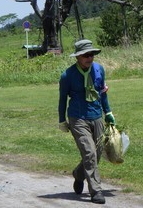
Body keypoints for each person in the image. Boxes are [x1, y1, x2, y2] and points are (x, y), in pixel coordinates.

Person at [58, 39, 115, 204]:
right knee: (89, 152)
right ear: (78, 57)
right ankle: (96, 191)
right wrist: (62, 120)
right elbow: (62, 99)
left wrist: (108, 112)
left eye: (91, 54)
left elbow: (102, 93)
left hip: (96, 116)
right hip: (77, 118)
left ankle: (78, 174)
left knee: (96, 155)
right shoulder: (67, 76)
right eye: (85, 55)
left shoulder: (99, 70)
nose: (90, 58)